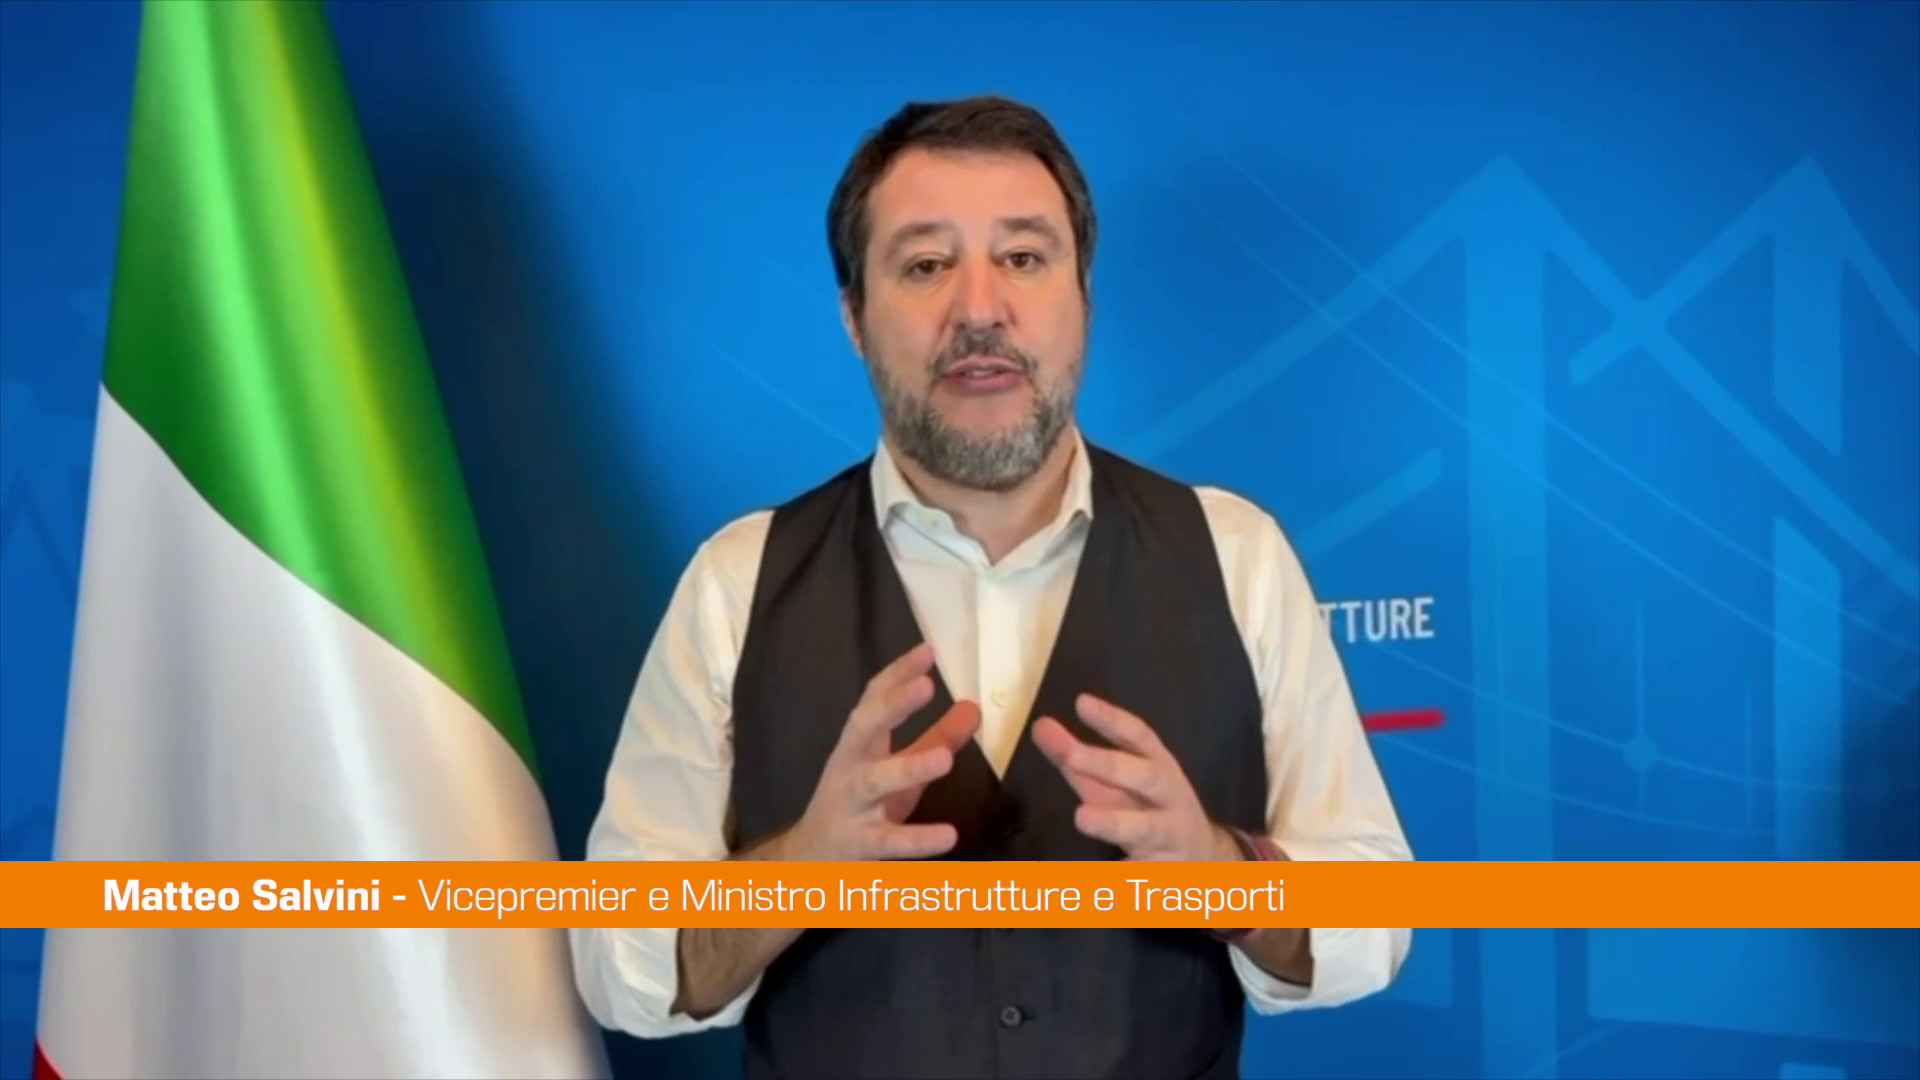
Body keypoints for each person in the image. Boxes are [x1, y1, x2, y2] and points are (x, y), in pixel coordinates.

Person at [570, 95, 1413, 1080]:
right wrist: (799, 870)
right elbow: (618, 970)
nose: (979, 309)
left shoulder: (1238, 556)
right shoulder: (737, 582)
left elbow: (1376, 925)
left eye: (1022, 257)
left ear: (1083, 296)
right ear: (854, 318)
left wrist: (1226, 875)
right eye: (927, 265)